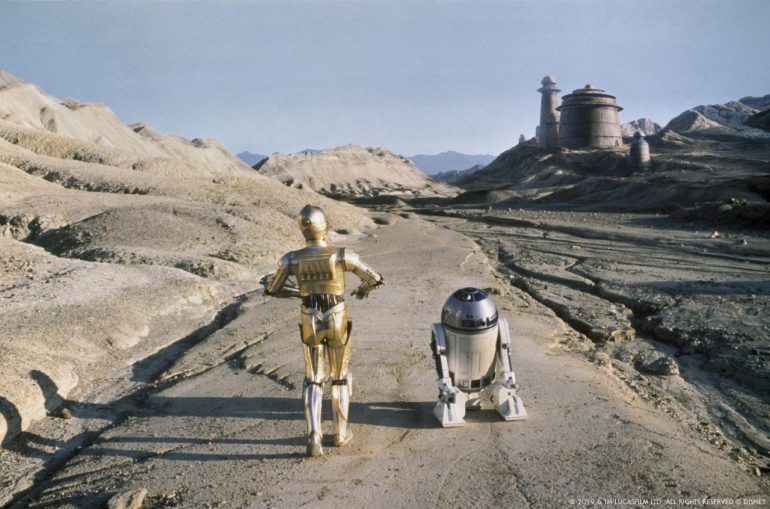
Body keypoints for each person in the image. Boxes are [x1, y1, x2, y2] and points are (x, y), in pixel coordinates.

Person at [262, 205, 383, 457]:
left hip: (309, 317)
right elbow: (373, 278)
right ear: (325, 225)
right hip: (337, 315)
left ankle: (314, 436)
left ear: (302, 229)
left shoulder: (291, 259)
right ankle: (340, 433)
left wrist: (301, 292)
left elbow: (273, 289)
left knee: (313, 378)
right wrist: (362, 290)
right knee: (340, 377)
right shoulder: (342, 255)